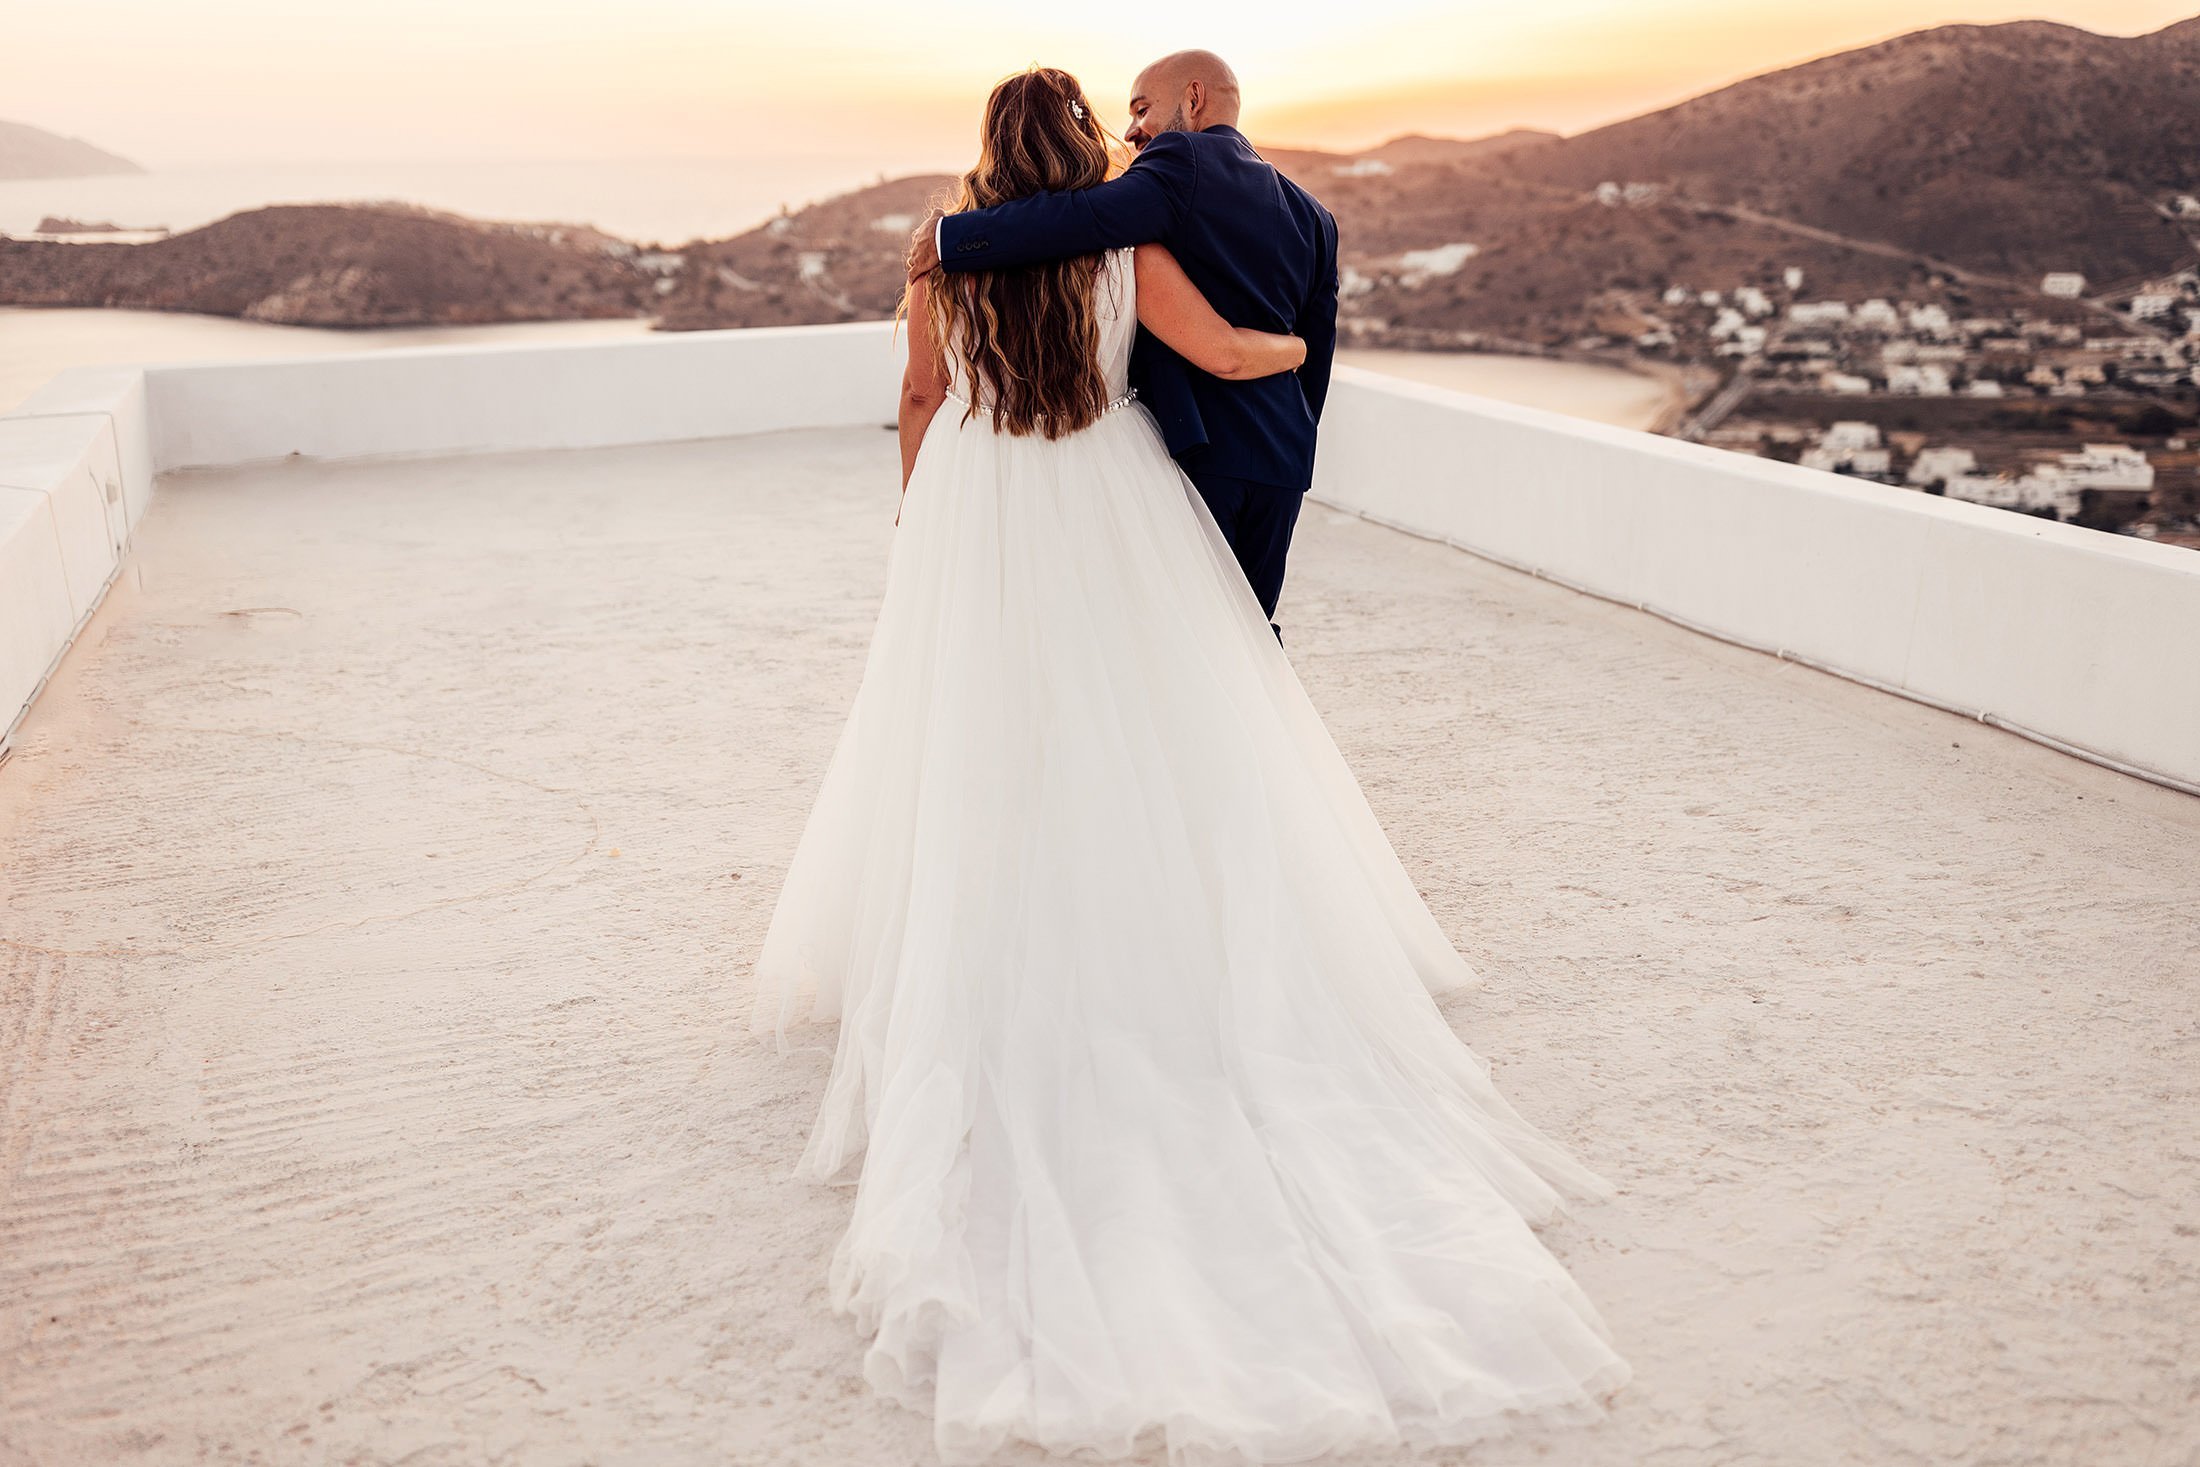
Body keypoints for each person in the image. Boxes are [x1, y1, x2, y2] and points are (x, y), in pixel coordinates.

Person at [754, 64, 1629, 1465]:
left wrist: (926, 515)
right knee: (1150, 728)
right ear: (1090, 145)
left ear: (985, 149)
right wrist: (1298, 353)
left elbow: (919, 400)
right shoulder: (1124, 243)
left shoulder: (939, 257)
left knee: (972, 735)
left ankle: (985, 936)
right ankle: (1152, 931)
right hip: (1110, 491)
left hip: (982, 499)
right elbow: (1222, 357)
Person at [906, 49, 1334, 643]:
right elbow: (1318, 351)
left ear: (1193, 98)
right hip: (1281, 457)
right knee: (1250, 639)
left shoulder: (1178, 161)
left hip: (1199, 450)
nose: (1132, 131)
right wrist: (1297, 387)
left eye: (1141, 109)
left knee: (1184, 640)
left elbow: (1081, 217)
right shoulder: (1313, 214)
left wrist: (954, 236)